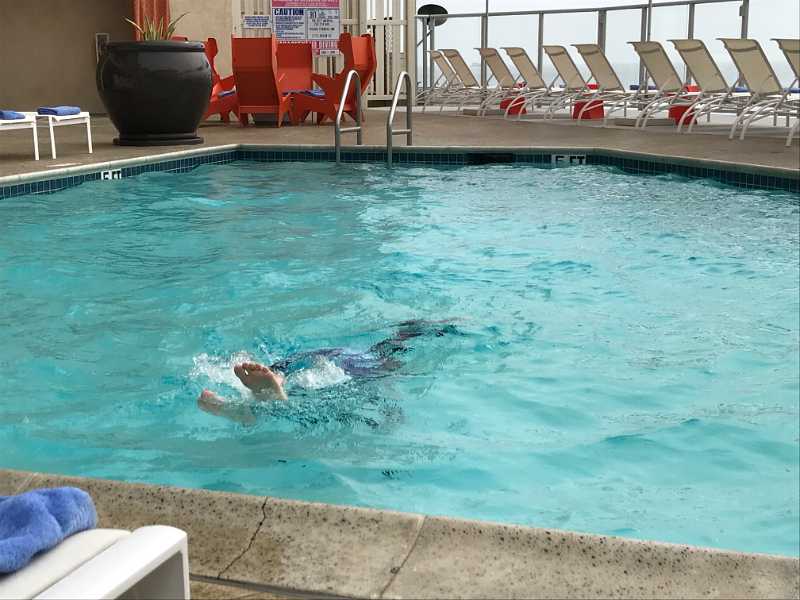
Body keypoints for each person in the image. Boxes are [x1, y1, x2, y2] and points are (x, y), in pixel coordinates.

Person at [197, 320, 456, 423]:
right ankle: (259, 402)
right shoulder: (380, 365)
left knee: (285, 373)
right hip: (347, 371)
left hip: (315, 356)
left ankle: (252, 399)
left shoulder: (358, 351)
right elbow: (390, 402)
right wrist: (394, 418)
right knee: (323, 394)